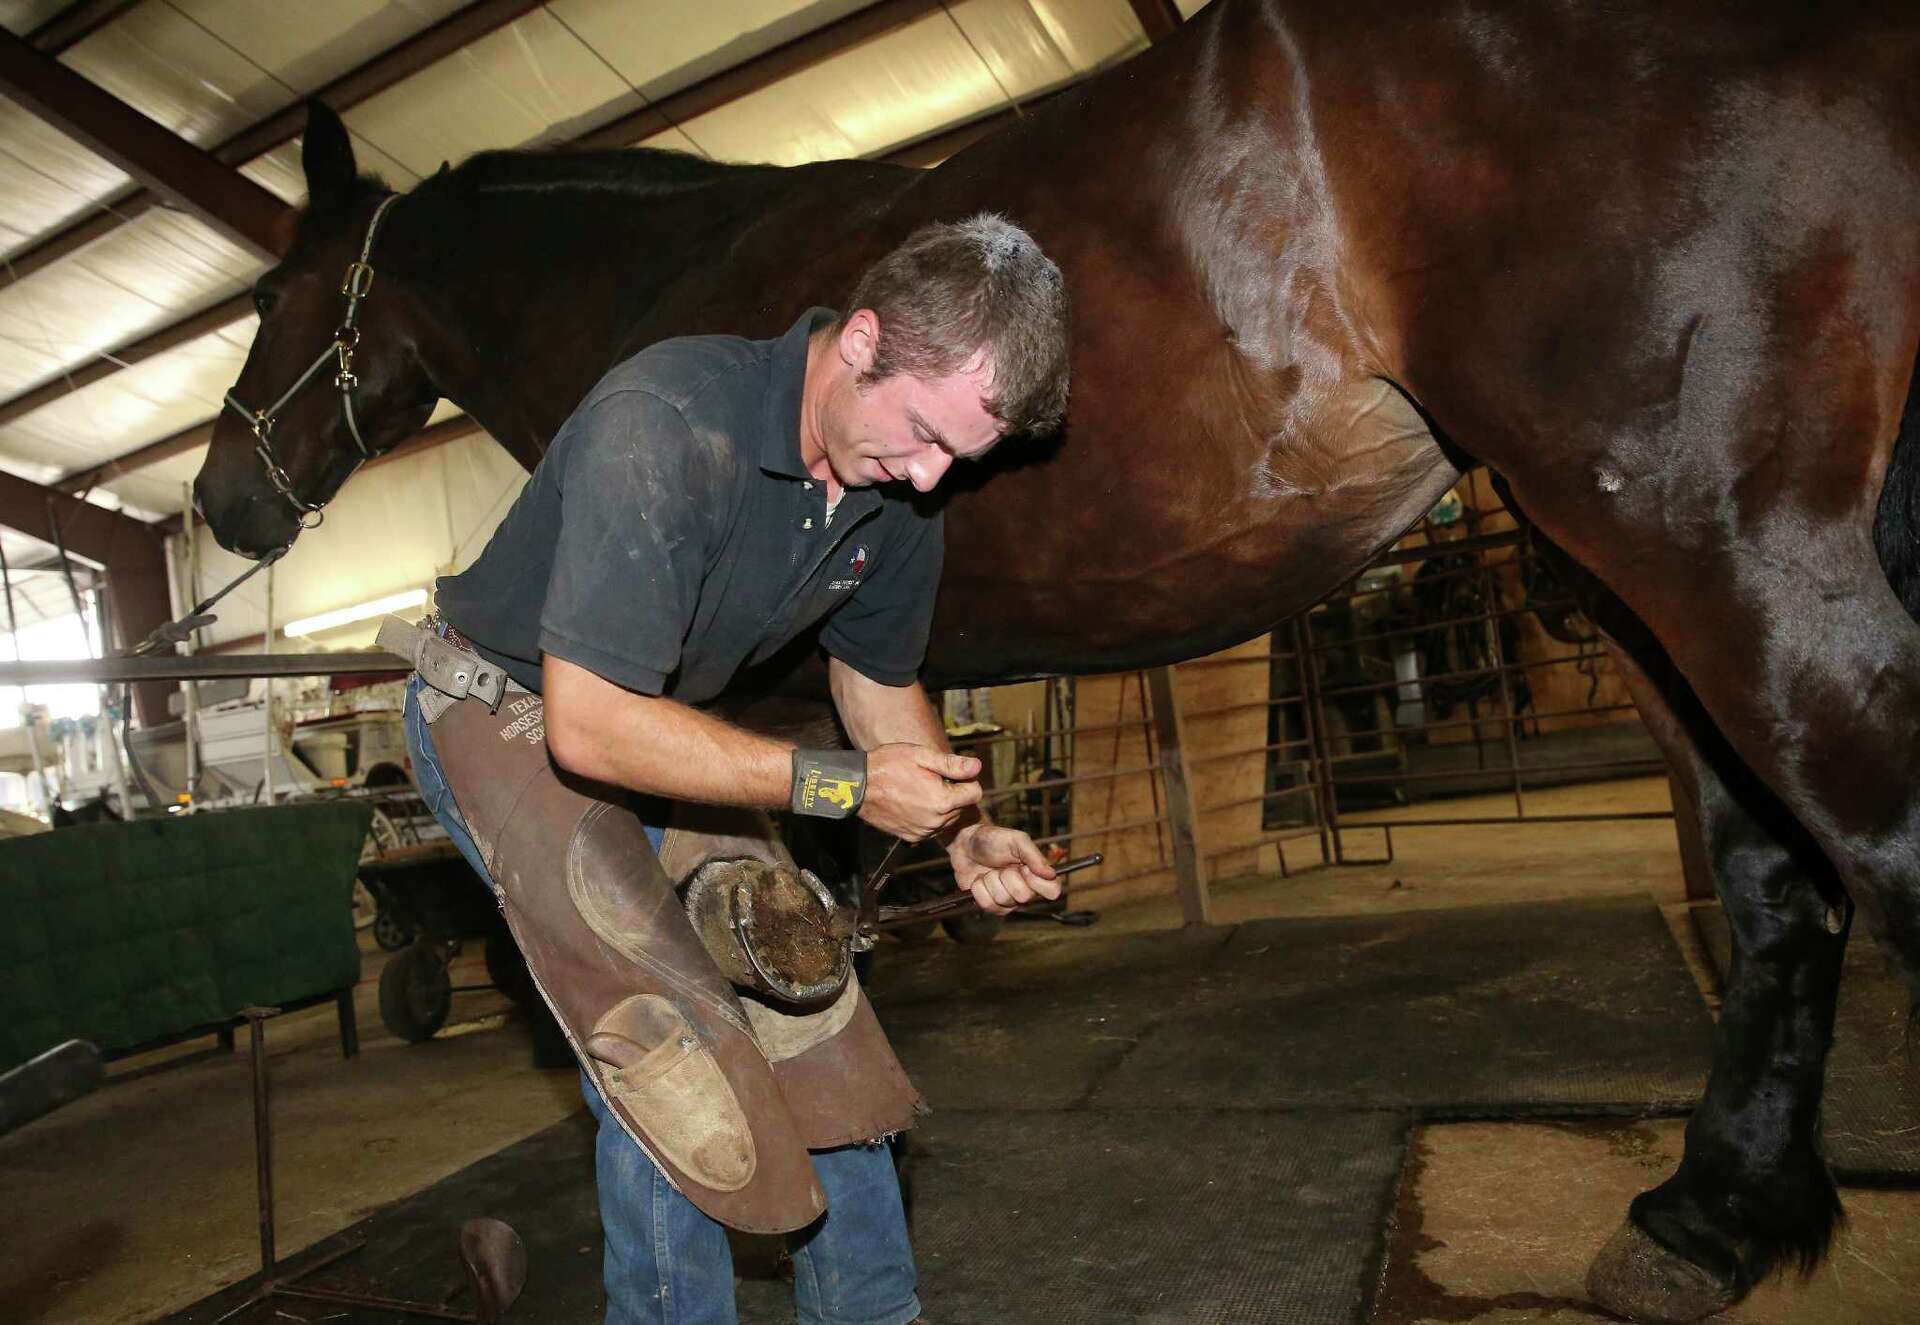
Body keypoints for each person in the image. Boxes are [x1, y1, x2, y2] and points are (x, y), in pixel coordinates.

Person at [390, 213, 1071, 1325]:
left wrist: (961, 826)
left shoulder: (900, 487)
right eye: (922, 433)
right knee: (674, 1041)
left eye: (961, 456)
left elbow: (875, 686)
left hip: (656, 718)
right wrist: (845, 787)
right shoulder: (663, 423)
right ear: (860, 341)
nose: (934, 472)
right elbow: (589, 727)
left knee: (804, 987)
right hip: (506, 705)